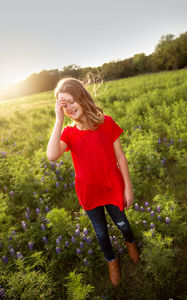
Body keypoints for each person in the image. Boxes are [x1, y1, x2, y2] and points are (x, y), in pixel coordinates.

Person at [47, 77, 139, 286]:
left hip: (112, 187)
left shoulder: (106, 122)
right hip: (89, 193)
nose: (69, 108)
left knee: (123, 224)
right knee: (101, 232)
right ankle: (112, 261)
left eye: (71, 101)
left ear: (82, 97)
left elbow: (120, 157)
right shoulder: (69, 133)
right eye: (63, 104)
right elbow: (52, 155)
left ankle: (131, 244)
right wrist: (58, 120)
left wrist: (128, 188)